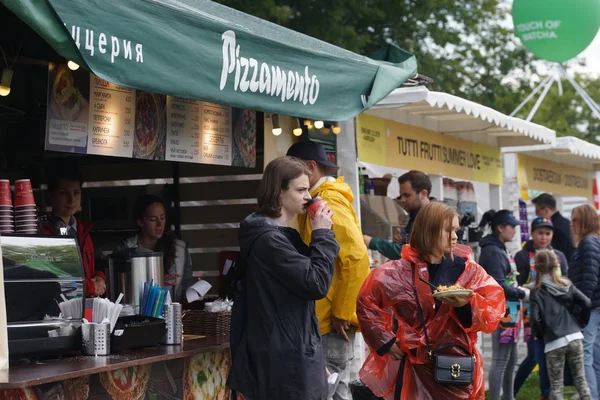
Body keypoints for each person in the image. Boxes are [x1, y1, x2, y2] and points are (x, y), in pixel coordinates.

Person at [356, 201, 504, 399]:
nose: (455, 236)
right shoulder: (398, 272)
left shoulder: (468, 270)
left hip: (457, 368)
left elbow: (493, 308)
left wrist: (465, 306)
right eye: (448, 230)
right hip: (415, 367)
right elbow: (366, 301)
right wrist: (385, 342)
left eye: (456, 230)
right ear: (429, 231)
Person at [227, 156, 339, 400]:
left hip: (293, 355)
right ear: (279, 193)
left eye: (308, 189)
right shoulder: (270, 241)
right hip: (284, 362)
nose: (308, 196)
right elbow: (317, 283)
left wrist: (316, 360)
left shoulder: (283, 236)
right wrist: (321, 234)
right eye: (301, 190)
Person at [287, 141, 370, 400]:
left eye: (293, 170)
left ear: (310, 167)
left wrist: (342, 313)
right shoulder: (320, 198)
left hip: (331, 321)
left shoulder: (328, 199)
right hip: (326, 318)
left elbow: (356, 258)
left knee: (328, 391)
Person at [513, 217, 570, 400]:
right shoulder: (522, 256)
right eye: (540, 233)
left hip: (556, 314)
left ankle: (547, 393)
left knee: (552, 354)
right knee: (534, 356)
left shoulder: (559, 256)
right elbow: (517, 284)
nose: (544, 237)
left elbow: (566, 282)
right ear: (532, 233)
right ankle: (513, 389)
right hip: (533, 312)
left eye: (547, 233)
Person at [478, 209, 529, 400]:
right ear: (500, 228)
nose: (515, 230)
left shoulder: (499, 248)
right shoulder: (492, 251)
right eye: (512, 226)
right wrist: (522, 292)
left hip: (510, 309)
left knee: (512, 359)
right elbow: (498, 284)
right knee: (500, 360)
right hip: (502, 310)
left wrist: (520, 289)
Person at [531, 249, 592, 400]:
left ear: (536, 267)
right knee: (581, 381)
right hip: (575, 336)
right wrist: (580, 322)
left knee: (556, 385)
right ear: (555, 265)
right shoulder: (567, 284)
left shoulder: (537, 291)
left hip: (554, 341)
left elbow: (535, 318)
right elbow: (586, 302)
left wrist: (540, 334)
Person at [113, 195, 194, 303]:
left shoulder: (180, 249)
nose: (159, 224)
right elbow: (118, 290)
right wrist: (157, 282)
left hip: (171, 315)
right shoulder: (126, 249)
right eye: (152, 219)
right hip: (136, 315)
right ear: (140, 222)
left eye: (162, 218)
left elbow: (186, 287)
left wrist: (195, 293)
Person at [40, 164, 105, 298]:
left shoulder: (83, 230)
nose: (71, 200)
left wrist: (99, 278)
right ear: (51, 196)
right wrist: (91, 287)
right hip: (57, 310)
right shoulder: (44, 233)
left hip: (86, 308)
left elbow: (96, 266)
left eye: (76, 193)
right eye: (64, 193)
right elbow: (57, 279)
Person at [568, 203, 600, 399]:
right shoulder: (593, 241)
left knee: (585, 357)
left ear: (583, 222)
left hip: (591, 309)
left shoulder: (588, 243)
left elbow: (589, 278)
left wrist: (580, 308)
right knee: (595, 358)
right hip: (595, 307)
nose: (571, 225)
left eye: (574, 220)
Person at [362, 170, 432, 260]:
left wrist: (372, 242)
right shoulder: (416, 216)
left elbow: (413, 253)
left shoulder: (431, 219)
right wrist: (402, 239)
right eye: (401, 196)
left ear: (423, 194)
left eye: (407, 195)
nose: (402, 200)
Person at [533, 193, 575, 263]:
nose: (536, 214)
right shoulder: (566, 222)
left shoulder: (555, 228)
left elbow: (557, 256)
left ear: (546, 210)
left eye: (537, 211)